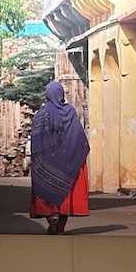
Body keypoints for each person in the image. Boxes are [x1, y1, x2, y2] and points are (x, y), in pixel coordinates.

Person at [29, 80, 90, 234]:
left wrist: (38, 160)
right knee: (65, 195)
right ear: (61, 94)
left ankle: (52, 217)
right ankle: (60, 226)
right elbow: (78, 137)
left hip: (46, 164)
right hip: (67, 163)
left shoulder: (41, 114)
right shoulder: (69, 111)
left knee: (44, 193)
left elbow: (36, 139)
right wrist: (75, 156)